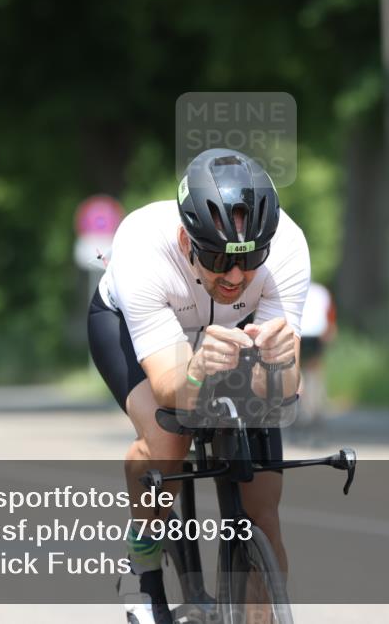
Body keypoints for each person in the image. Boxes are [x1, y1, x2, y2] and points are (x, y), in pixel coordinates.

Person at [87, 148, 310, 623]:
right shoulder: (143, 248)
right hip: (132, 328)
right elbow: (171, 388)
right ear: (186, 241)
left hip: (233, 335)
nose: (235, 276)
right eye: (217, 257)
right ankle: (143, 568)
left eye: (250, 258)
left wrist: (281, 364)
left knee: (264, 516)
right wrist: (196, 370)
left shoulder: (288, 247)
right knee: (169, 438)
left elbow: (284, 387)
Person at [295, 282, 336, 430]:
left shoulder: (293, 288)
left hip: (299, 333)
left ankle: (301, 405)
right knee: (314, 370)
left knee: (295, 367)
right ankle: (314, 405)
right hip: (316, 334)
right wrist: (331, 330)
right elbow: (329, 313)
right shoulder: (321, 290)